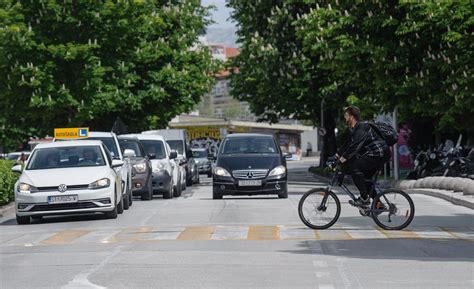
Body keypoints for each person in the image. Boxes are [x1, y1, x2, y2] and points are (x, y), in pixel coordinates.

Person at [336, 106, 388, 206]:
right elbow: (347, 144)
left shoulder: (362, 127)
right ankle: (379, 205)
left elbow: (355, 145)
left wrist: (343, 158)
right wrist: (336, 156)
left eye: (346, 115)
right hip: (376, 154)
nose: (344, 118)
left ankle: (364, 199)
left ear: (351, 116)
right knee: (366, 179)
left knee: (354, 168)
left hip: (379, 153)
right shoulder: (354, 129)